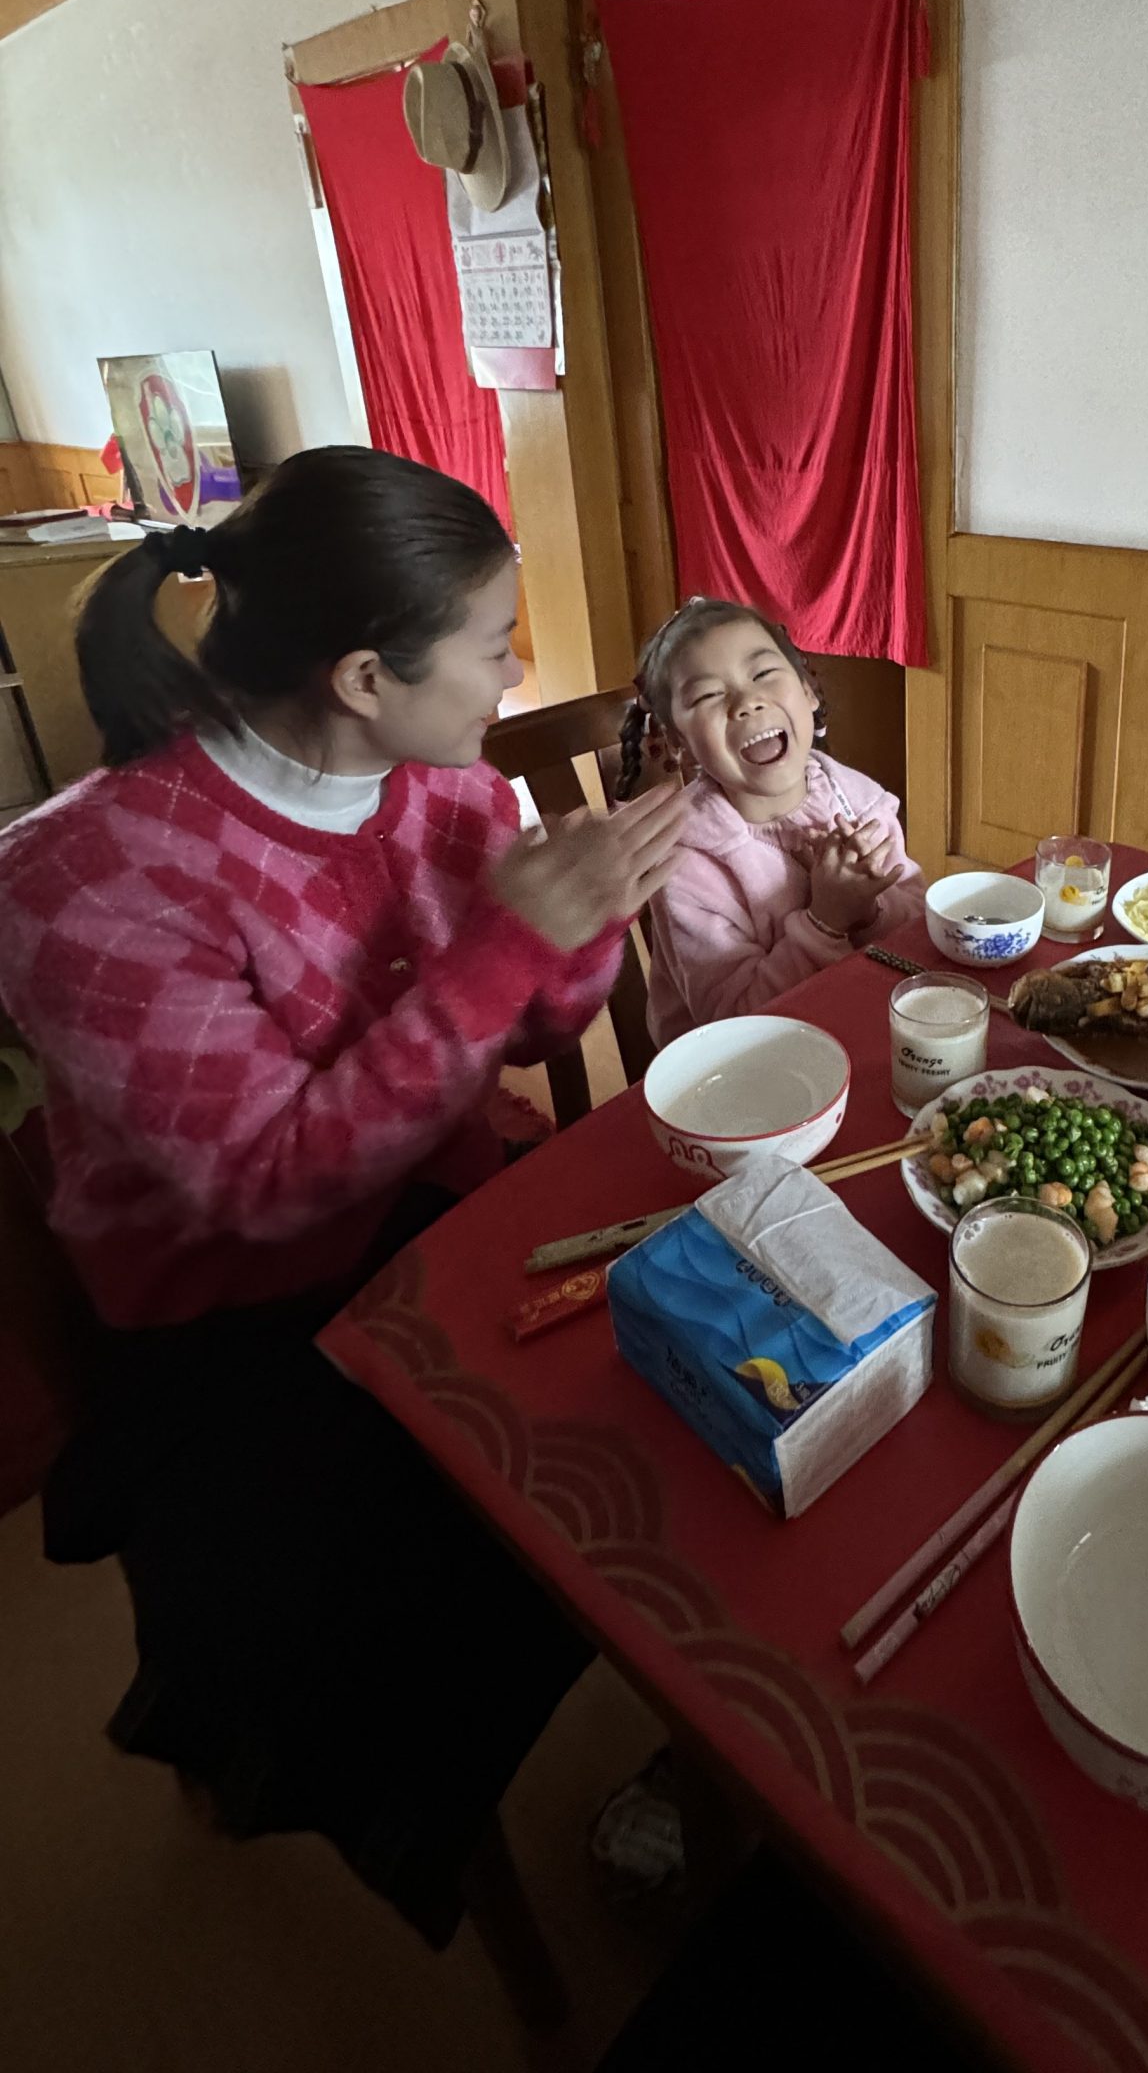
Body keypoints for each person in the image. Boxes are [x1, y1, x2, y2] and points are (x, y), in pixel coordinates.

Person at [0, 446, 688, 1943]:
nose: (514, 675)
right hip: (236, 1325)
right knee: (482, 1570)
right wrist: (509, 944)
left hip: (437, 1225)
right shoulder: (86, 880)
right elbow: (270, 1187)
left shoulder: (447, 787)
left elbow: (538, 1031)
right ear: (367, 677)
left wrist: (580, 919)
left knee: (687, 1397)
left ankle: (702, 1730)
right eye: (494, 645)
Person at [620, 598, 924, 1044]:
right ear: (678, 741)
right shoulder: (685, 860)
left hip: (859, 1031)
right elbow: (733, 1026)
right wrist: (825, 921)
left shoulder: (858, 801)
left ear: (808, 691)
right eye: (707, 696)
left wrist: (868, 910)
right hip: (741, 1069)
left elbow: (917, 934)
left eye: (762, 673)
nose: (746, 702)